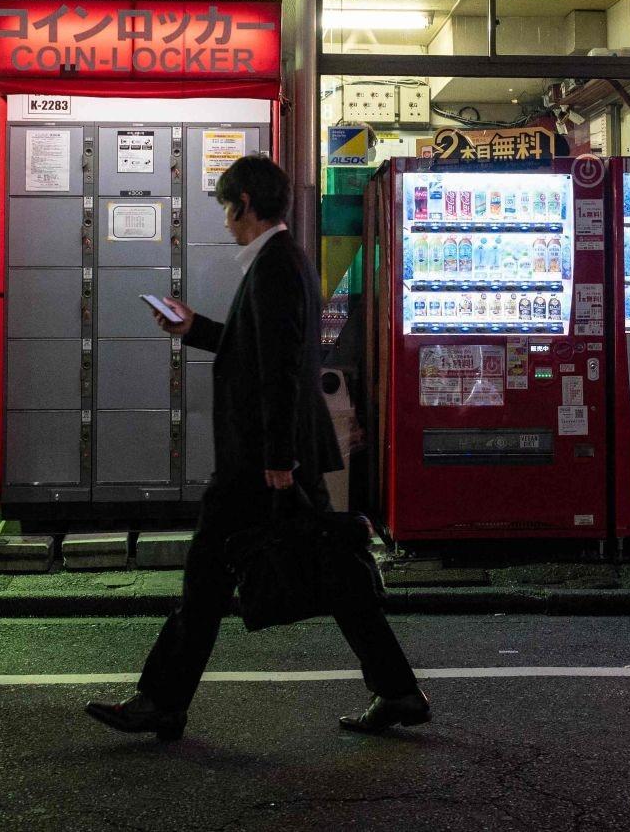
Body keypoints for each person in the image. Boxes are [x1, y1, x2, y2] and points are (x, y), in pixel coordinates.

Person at [85, 156, 427, 741]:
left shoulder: (273, 266)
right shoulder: (280, 261)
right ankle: (396, 691)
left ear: (244, 202)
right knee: (328, 573)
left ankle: (160, 700)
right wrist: (195, 328)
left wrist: (275, 459)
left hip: (262, 460)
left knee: (211, 580)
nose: (223, 219)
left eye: (225, 205)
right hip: (276, 453)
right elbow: (259, 350)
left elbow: (281, 368)